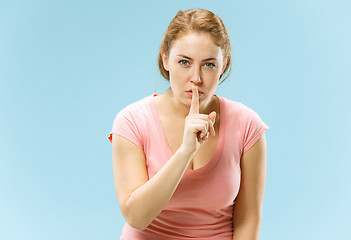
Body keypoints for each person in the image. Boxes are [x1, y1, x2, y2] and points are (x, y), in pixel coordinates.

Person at [108, 8, 269, 240]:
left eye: (209, 64)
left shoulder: (247, 126)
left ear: (223, 65)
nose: (196, 78)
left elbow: (247, 222)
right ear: (165, 59)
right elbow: (136, 217)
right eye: (184, 62)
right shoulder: (132, 121)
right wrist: (185, 152)